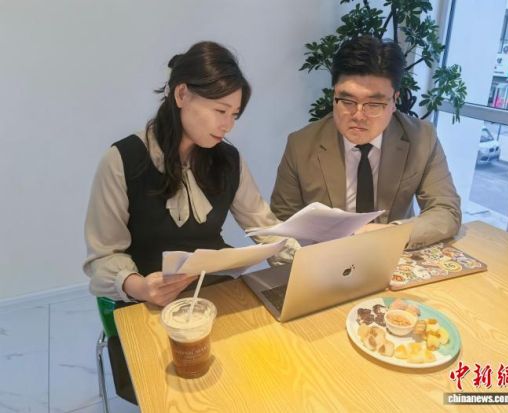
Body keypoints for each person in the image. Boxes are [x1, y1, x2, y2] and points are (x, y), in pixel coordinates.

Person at [83, 41, 297, 404]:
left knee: (255, 377)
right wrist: (141, 287)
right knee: (182, 397)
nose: (227, 125)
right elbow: (102, 257)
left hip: (216, 293)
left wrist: (305, 257)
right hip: (149, 302)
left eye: (235, 114)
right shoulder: (122, 161)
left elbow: (263, 225)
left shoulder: (228, 160)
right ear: (182, 94)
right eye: (220, 110)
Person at [271, 35, 461, 250]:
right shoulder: (301, 145)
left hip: (394, 253)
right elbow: (283, 221)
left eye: (374, 104)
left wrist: (390, 233)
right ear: (334, 95)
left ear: (394, 100)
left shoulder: (422, 138)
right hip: (327, 257)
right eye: (347, 101)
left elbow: (446, 210)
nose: (359, 116)